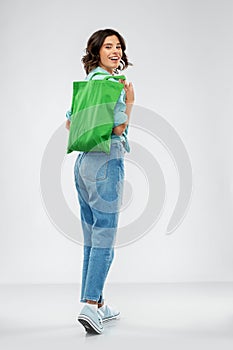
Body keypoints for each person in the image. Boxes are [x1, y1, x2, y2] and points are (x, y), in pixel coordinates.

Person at [65, 28, 134, 334]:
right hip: (107, 163)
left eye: (118, 46)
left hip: (82, 165)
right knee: (104, 241)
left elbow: (70, 122)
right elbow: (118, 129)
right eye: (108, 46)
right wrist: (130, 101)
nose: (115, 51)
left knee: (92, 240)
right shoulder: (115, 84)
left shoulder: (89, 83)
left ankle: (99, 302)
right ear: (97, 51)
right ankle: (91, 306)